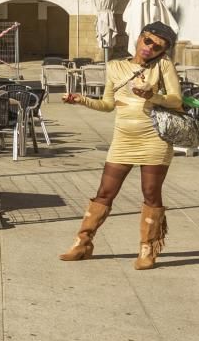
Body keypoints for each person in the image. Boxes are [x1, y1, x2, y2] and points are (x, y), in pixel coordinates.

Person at [58, 22, 183, 270]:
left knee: (150, 193)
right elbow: (107, 104)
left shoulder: (163, 66)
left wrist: (153, 96)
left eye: (159, 47)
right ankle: (82, 243)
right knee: (105, 191)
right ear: (139, 38)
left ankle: (148, 249)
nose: (151, 49)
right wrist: (81, 100)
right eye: (148, 41)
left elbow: (176, 99)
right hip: (123, 139)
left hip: (154, 139)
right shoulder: (115, 67)